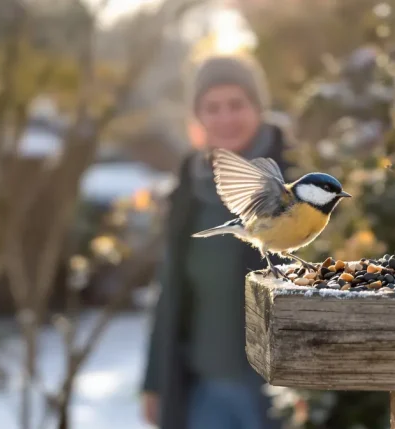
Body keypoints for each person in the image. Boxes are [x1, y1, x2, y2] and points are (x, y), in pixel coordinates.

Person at [141, 55, 286, 429]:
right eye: (213, 108)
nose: (225, 118)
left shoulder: (295, 180)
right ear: (198, 116)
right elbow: (170, 287)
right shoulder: (189, 185)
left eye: (236, 105)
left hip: (274, 388)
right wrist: (155, 382)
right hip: (203, 387)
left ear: (258, 107)